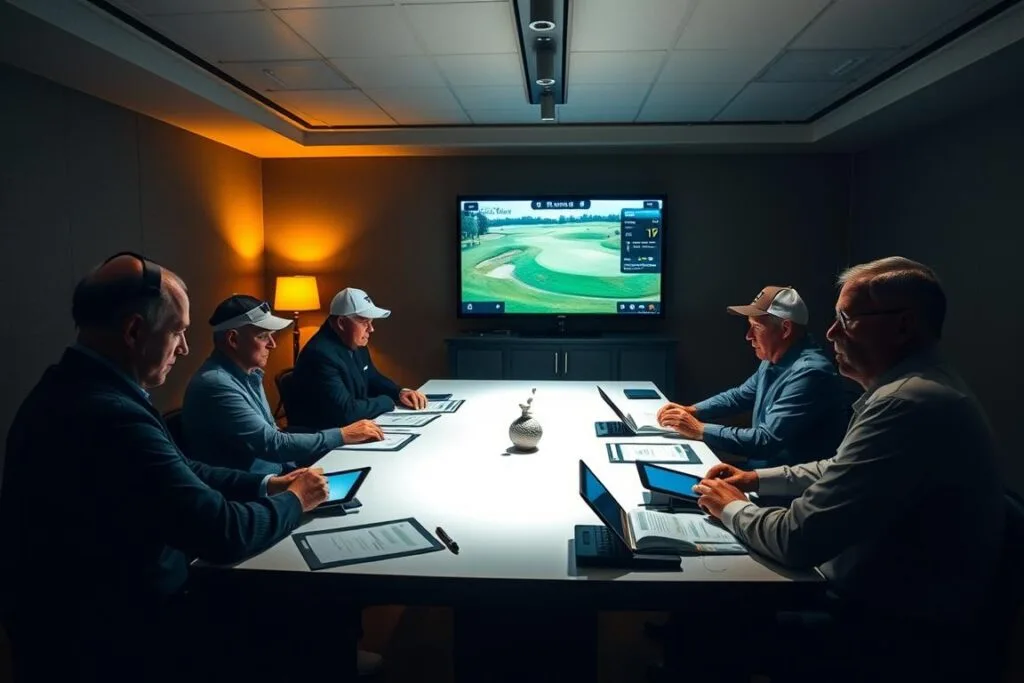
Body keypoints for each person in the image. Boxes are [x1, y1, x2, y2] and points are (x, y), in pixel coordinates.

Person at [0, 253, 331, 683]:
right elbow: (222, 533)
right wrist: (295, 500)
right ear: (135, 331)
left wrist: (267, 483)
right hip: (115, 640)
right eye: (177, 331)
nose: (185, 347)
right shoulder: (108, 414)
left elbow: (180, 467)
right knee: (297, 620)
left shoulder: (76, 386)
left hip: (86, 619)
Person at [693, 258, 1005, 682]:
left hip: (887, 631)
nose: (831, 333)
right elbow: (838, 466)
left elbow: (797, 539)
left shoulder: (905, 404)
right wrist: (753, 480)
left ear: (903, 326)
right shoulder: (915, 388)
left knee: (709, 625)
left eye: (847, 320)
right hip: (889, 604)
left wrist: (731, 508)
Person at [182, 294, 384, 475]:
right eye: (262, 336)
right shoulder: (215, 384)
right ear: (233, 339)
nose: (272, 344)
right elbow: (272, 444)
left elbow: (274, 434)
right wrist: (342, 435)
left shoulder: (249, 373)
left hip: (279, 472)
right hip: (250, 491)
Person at [657, 285, 848, 468]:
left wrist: (700, 430)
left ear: (785, 329)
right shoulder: (775, 358)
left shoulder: (810, 372)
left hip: (784, 489)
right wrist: (692, 410)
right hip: (759, 471)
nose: (748, 336)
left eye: (755, 327)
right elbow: (739, 396)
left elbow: (765, 441)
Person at [287, 287, 428, 428]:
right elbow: (347, 413)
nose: (371, 329)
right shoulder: (320, 355)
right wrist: (387, 401)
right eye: (364, 322)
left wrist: (399, 393)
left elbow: (372, 378)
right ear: (342, 323)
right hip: (323, 440)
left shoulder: (353, 343)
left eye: (371, 322)